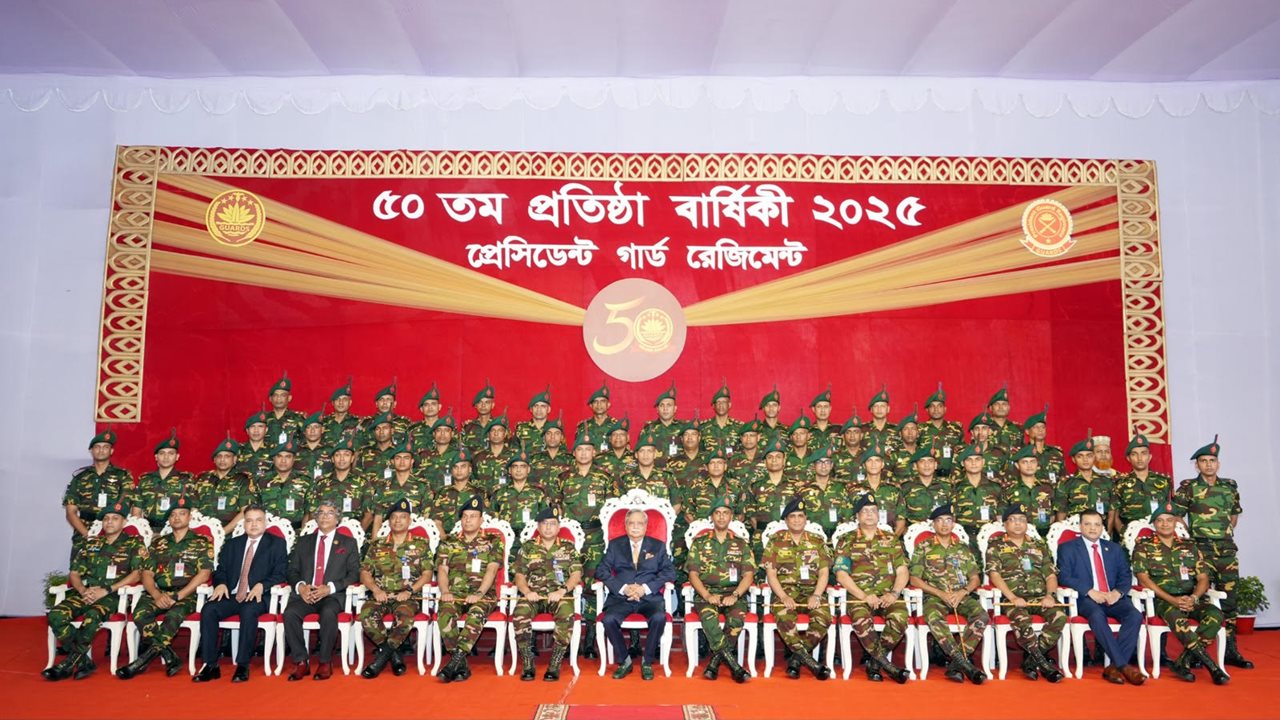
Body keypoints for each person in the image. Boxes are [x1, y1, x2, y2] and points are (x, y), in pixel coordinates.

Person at [1172, 436, 1252, 669]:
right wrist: (1192, 538)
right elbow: (1177, 516)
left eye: (1212, 460)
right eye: (1203, 461)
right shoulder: (1188, 487)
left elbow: (1233, 516)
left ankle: (1230, 650)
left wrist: (1221, 533)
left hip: (1226, 550)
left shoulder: (1229, 487)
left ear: (1218, 463)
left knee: (1230, 601)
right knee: (1204, 598)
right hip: (1201, 550)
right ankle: (1198, 651)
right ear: (1197, 465)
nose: (1208, 464)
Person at [44, 500, 142, 681]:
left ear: (124, 522)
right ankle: (83, 660)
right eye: (106, 518)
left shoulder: (134, 544)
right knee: (56, 615)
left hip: (114, 596)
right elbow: (74, 573)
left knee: (92, 615)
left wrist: (106, 590)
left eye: (115, 518)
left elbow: (137, 574)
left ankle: (69, 663)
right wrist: (83, 590)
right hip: (87, 593)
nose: (109, 522)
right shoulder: (91, 544)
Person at [1133, 504, 1230, 684]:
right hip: (1163, 600)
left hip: (1191, 598)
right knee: (1178, 620)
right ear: (1154, 524)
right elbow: (1143, 579)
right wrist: (1172, 600)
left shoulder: (1190, 546)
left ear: (1176, 523)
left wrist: (1194, 597)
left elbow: (1203, 578)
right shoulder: (1143, 546)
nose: (1165, 524)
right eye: (1160, 521)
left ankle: (1182, 661)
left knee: (1215, 615)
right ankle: (1212, 667)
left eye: (1169, 520)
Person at [117, 498, 213, 679]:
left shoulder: (202, 542)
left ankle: (141, 661)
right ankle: (170, 656)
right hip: (159, 592)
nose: (177, 518)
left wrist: (178, 596)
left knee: (173, 615)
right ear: (169, 519)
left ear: (189, 517)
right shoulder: (158, 543)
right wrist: (155, 594)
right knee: (140, 614)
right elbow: (147, 574)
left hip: (187, 593)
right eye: (173, 515)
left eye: (182, 514)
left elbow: (204, 574)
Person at [194, 504, 287, 683]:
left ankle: (243, 664)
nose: (254, 524)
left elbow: (281, 573)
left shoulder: (276, 544)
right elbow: (220, 570)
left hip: (259, 596)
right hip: (233, 595)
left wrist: (262, 585)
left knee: (248, 610)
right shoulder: (232, 544)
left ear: (265, 522)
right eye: (249, 520)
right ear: (244, 523)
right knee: (209, 609)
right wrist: (221, 584)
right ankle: (210, 664)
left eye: (258, 520)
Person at [1056, 509, 1145, 685]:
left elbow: (1125, 576)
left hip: (1112, 597)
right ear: (1080, 526)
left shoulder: (1114, 548)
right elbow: (1064, 576)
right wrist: (1090, 591)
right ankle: (1124, 666)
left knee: (1134, 615)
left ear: (1102, 527)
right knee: (1097, 615)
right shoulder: (1068, 548)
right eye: (1088, 524)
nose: (1092, 528)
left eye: (1097, 524)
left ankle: (1113, 667)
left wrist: (1117, 593)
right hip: (1086, 599)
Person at [832, 493, 911, 683]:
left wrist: (894, 593)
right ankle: (886, 665)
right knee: (861, 620)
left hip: (887, 595)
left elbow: (902, 571)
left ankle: (875, 663)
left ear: (878, 515)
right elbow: (841, 575)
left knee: (900, 617)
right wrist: (864, 596)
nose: (869, 514)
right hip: (859, 596)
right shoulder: (847, 539)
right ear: (857, 516)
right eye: (864, 511)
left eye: (873, 511)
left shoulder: (891, 539)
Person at [984, 504, 1066, 682]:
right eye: (1013, 520)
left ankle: (1031, 660)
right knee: (1022, 620)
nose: (1018, 523)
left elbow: (1050, 575)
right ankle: (1044, 665)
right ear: (1005, 524)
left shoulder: (1038, 545)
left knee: (1059, 616)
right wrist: (1012, 597)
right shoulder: (996, 545)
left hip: (1040, 598)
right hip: (1012, 600)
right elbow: (994, 574)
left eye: (1022, 519)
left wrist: (1050, 595)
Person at [908, 504, 988, 684]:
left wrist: (962, 592)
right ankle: (962, 662)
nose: (944, 524)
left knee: (982, 616)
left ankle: (956, 664)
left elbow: (975, 579)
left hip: (962, 596)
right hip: (935, 597)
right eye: (939, 521)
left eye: (948, 520)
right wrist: (940, 593)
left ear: (954, 523)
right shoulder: (924, 547)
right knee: (933, 617)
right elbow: (914, 579)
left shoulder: (963, 548)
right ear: (933, 524)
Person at [282, 500, 361, 681]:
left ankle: (325, 661)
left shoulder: (348, 543)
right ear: (316, 518)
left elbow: (354, 574)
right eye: (321, 513)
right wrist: (301, 587)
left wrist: (330, 588)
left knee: (328, 613)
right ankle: (301, 661)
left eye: (330, 513)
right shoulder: (304, 541)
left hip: (332, 596)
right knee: (290, 613)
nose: (325, 517)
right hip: (306, 595)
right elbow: (292, 570)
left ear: (338, 519)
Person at [358, 498, 434, 679]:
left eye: (402, 517)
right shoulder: (377, 545)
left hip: (407, 596)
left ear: (409, 521)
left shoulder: (421, 544)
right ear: (389, 521)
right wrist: (375, 590)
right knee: (366, 615)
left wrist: (410, 591)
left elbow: (427, 574)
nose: (398, 521)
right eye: (394, 517)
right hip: (380, 595)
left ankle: (380, 659)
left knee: (405, 618)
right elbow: (364, 573)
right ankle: (394, 655)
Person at [596, 509, 676, 680]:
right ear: (625, 526)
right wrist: (623, 588)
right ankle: (625, 661)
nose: (635, 527)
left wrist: (645, 588)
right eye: (631, 523)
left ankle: (647, 661)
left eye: (640, 523)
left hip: (648, 598)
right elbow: (601, 571)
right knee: (608, 619)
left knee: (659, 618)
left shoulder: (657, 546)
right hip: (621, 598)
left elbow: (669, 572)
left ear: (646, 526)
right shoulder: (615, 545)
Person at [761, 496, 832, 680]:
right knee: (784, 617)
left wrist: (817, 595)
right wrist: (783, 597)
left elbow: (824, 573)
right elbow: (771, 575)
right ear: (786, 520)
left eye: (800, 516)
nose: (797, 520)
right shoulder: (775, 541)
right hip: (785, 592)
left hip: (812, 592)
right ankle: (809, 661)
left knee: (824, 617)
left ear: (806, 518)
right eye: (792, 516)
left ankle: (796, 659)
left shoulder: (817, 541)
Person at [435, 496, 504, 682]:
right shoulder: (449, 542)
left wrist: (479, 593)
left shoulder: (493, 540)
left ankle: (454, 662)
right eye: (465, 516)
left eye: (473, 516)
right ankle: (461, 665)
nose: (468, 520)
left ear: (481, 520)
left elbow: (492, 570)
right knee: (445, 614)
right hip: (454, 593)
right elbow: (442, 570)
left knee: (475, 614)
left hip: (483, 594)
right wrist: (445, 592)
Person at [686, 496, 754, 683]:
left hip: (734, 594)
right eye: (717, 513)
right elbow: (693, 574)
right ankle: (735, 666)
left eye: (725, 513)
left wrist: (735, 595)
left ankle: (714, 663)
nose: (721, 517)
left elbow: (748, 575)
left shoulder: (741, 544)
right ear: (712, 517)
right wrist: (707, 595)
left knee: (736, 619)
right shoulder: (699, 543)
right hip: (706, 593)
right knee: (710, 619)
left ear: (731, 516)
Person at [512, 507, 583, 681]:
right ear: (538, 527)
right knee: (520, 612)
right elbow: (519, 576)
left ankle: (555, 663)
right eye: (544, 524)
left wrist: (562, 590)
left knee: (566, 613)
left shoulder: (568, 547)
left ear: (558, 527)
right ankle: (527, 662)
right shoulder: (527, 547)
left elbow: (576, 574)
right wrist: (527, 592)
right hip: (533, 595)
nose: (548, 527)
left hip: (559, 594)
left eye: (552, 524)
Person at [62, 429, 133, 563]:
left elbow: (125, 505)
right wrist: (88, 535)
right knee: (79, 573)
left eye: (105, 447)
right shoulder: (80, 478)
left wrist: (108, 534)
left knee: (111, 572)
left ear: (111, 451)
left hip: (112, 535)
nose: (101, 450)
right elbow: (70, 512)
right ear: (91, 451)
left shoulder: (122, 476)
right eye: (97, 447)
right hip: (84, 535)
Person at [129, 429, 195, 533]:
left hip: (174, 531)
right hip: (148, 530)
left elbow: (193, 510)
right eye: (162, 453)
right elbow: (136, 511)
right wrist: (141, 532)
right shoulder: (145, 480)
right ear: (156, 457)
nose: (166, 457)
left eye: (171, 453)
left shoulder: (186, 480)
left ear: (177, 457)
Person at [1113, 433, 1173, 530]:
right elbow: (1115, 517)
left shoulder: (1164, 481)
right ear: (1128, 458)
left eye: (1143, 453)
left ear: (1150, 457)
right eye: (1134, 454)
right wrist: (1124, 535)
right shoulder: (1120, 483)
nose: (1139, 458)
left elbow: (1171, 511)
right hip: (1132, 534)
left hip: (1159, 532)